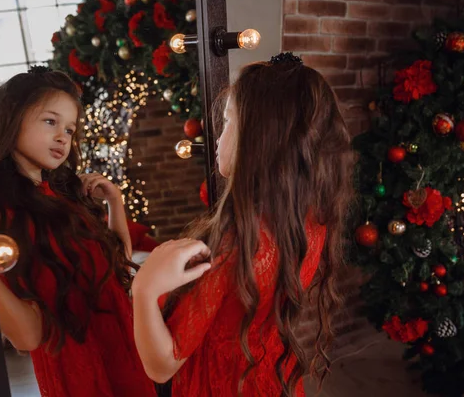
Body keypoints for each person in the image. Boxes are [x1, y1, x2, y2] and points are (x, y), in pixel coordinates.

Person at [132, 53, 355, 396]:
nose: (218, 138)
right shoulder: (311, 222)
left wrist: (144, 289)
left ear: (258, 137)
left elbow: (161, 365)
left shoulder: (236, 246)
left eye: (226, 122)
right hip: (266, 379)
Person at [0, 67, 156, 397]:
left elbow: (116, 272)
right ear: (11, 119)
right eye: (50, 121)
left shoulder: (64, 198)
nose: (63, 136)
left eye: (70, 129)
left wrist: (115, 203)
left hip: (124, 353)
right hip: (80, 374)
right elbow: (28, 337)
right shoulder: (1, 219)